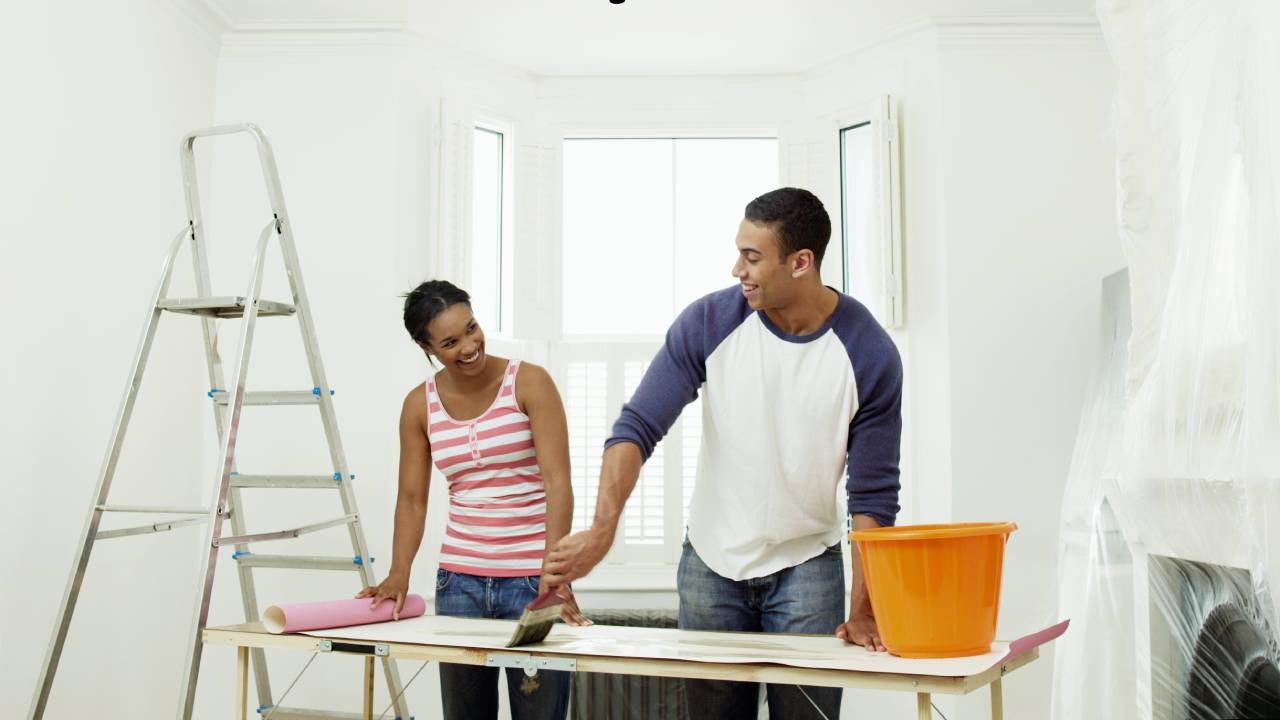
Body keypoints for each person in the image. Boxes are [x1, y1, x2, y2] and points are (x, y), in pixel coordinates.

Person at [543, 188, 903, 719]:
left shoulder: (869, 352)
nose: (738, 269)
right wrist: (601, 534)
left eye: (752, 256)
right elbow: (637, 428)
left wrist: (865, 608)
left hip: (807, 568)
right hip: (711, 566)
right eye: (739, 253)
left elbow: (873, 494)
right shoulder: (711, 322)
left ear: (801, 262)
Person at [359, 280, 587, 720]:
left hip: (531, 583)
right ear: (425, 346)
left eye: (472, 328)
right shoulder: (418, 406)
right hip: (459, 587)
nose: (468, 346)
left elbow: (559, 483)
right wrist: (398, 573)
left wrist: (555, 574)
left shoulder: (530, 382)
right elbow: (411, 500)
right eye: (449, 342)